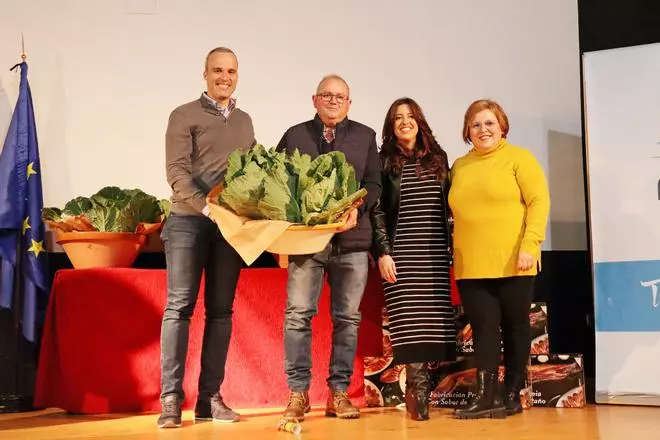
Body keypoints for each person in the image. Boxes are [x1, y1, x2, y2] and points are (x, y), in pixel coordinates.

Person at [157, 47, 256, 428]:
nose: (224, 77)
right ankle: (170, 398)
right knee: (179, 307)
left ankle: (210, 398)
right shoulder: (184, 115)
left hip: (229, 228)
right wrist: (205, 206)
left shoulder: (245, 121)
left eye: (231, 71)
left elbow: (251, 173)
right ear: (205, 74)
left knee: (221, 311)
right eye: (217, 70)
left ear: (237, 75)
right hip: (187, 221)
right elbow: (177, 173)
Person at [275, 74, 382, 420]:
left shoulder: (366, 136)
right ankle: (298, 394)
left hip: (351, 242)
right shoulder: (295, 135)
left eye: (340, 97)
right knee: (298, 316)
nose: (334, 101)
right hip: (307, 243)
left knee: (347, 319)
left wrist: (358, 208)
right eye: (327, 95)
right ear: (314, 99)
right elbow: (277, 179)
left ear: (349, 103)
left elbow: (374, 184)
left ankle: (338, 393)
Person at [448, 99, 550, 419]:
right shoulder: (459, 166)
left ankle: (512, 394)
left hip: (514, 259)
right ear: (468, 131)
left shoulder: (520, 158)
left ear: (502, 126)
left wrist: (531, 244)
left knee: (515, 326)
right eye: (476, 124)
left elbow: (539, 201)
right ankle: (486, 395)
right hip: (472, 263)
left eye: (489, 123)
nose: (483, 129)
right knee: (483, 328)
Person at [370, 97, 456, 421]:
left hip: (433, 255)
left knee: (433, 327)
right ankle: (417, 395)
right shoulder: (383, 161)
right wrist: (382, 252)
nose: (404, 122)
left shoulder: (439, 159)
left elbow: (448, 208)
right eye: (397, 118)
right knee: (411, 328)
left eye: (409, 116)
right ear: (391, 128)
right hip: (401, 255)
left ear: (419, 120)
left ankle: (420, 393)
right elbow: (377, 211)